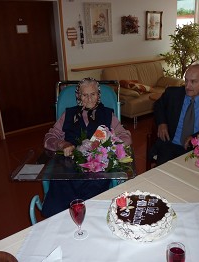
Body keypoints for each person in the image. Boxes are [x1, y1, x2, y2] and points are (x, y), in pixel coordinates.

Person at [42, 78, 132, 217]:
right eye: (85, 95)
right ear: (79, 97)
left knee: (93, 205)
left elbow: (126, 137)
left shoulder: (108, 114)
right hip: (68, 168)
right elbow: (49, 138)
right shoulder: (69, 114)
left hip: (97, 170)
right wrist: (63, 144)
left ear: (98, 95)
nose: (89, 99)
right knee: (58, 205)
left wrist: (105, 149)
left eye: (93, 94)